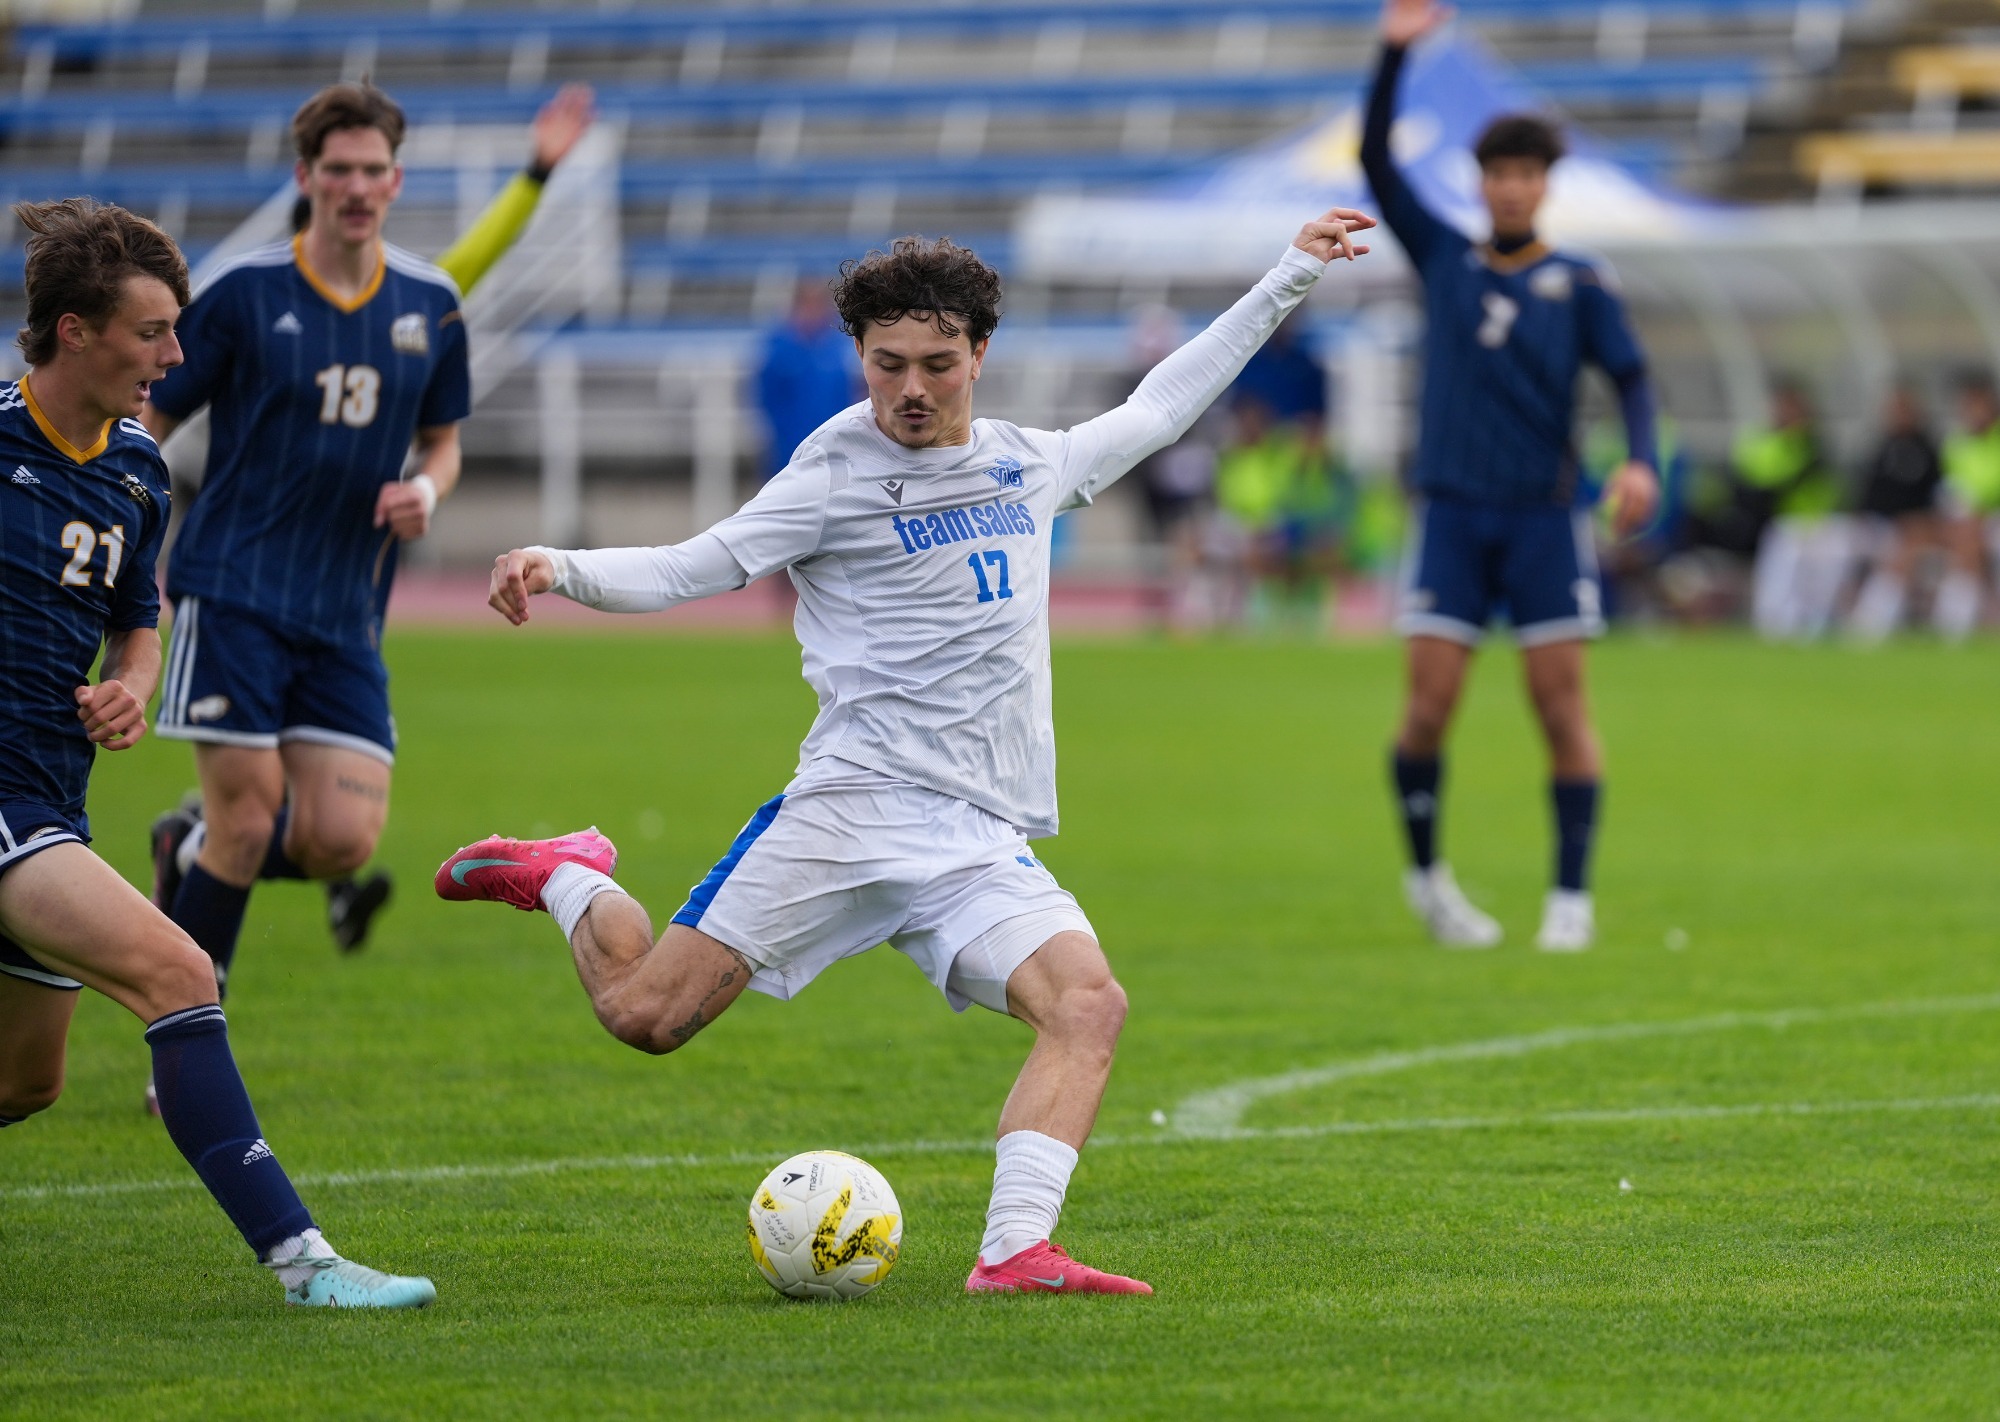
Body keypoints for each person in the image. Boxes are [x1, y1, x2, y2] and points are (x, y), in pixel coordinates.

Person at [435, 209, 1376, 1294]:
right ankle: (561, 876)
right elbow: (700, 564)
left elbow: (1160, 406)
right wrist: (560, 564)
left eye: (937, 363)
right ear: (860, 359)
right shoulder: (831, 472)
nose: (910, 389)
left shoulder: (1030, 465)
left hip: (975, 836)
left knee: (1086, 1005)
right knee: (645, 1018)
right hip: (849, 810)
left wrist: (1289, 274)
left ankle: (1013, 1252)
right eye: (886, 366)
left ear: (981, 354)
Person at [0, 197, 432, 1307]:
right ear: (73, 332)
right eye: (151, 333)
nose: (176, 355)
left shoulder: (139, 468)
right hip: (6, 801)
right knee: (181, 974)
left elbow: (138, 617)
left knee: (26, 1080)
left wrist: (133, 690)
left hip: (52, 791)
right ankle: (304, 1265)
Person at [136, 82, 471, 1106]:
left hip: (344, 614)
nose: (358, 188)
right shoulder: (239, 296)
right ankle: (186, 1046)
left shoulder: (429, 306)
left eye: (375, 171)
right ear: (306, 179)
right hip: (230, 589)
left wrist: (423, 490)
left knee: (339, 840)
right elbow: (147, 413)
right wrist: (123, 517)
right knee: (248, 823)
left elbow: (444, 444)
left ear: (396, 180)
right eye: (340, 171)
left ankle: (178, 850)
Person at [1365, 0, 1660, 952]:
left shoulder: (1580, 282)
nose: (1511, 189)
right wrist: (1392, 54)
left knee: (1560, 705)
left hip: (1542, 519)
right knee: (1428, 708)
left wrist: (1642, 462)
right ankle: (1427, 880)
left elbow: (1631, 376)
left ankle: (1569, 901)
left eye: (1527, 173)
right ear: (1481, 180)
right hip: (1452, 514)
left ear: (1546, 184)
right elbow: (1375, 161)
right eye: (1498, 173)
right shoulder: (1446, 258)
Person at [1849, 386, 1944, 641]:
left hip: (1911, 528)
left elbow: (1935, 501)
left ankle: (1871, 624)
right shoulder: (1880, 448)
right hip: (1873, 523)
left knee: (1901, 551)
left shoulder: (1928, 451)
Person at [756, 281, 861, 481]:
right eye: (808, 304)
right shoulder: (778, 346)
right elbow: (766, 397)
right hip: (788, 445)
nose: (813, 311)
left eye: (818, 304)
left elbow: (851, 392)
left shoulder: (840, 346)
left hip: (837, 444)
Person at [1936, 373, 2000, 640]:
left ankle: (1962, 620)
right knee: (1965, 537)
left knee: (1972, 537)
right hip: (1972, 520)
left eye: (1980, 404)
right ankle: (1962, 620)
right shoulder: (1955, 444)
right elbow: (1953, 489)